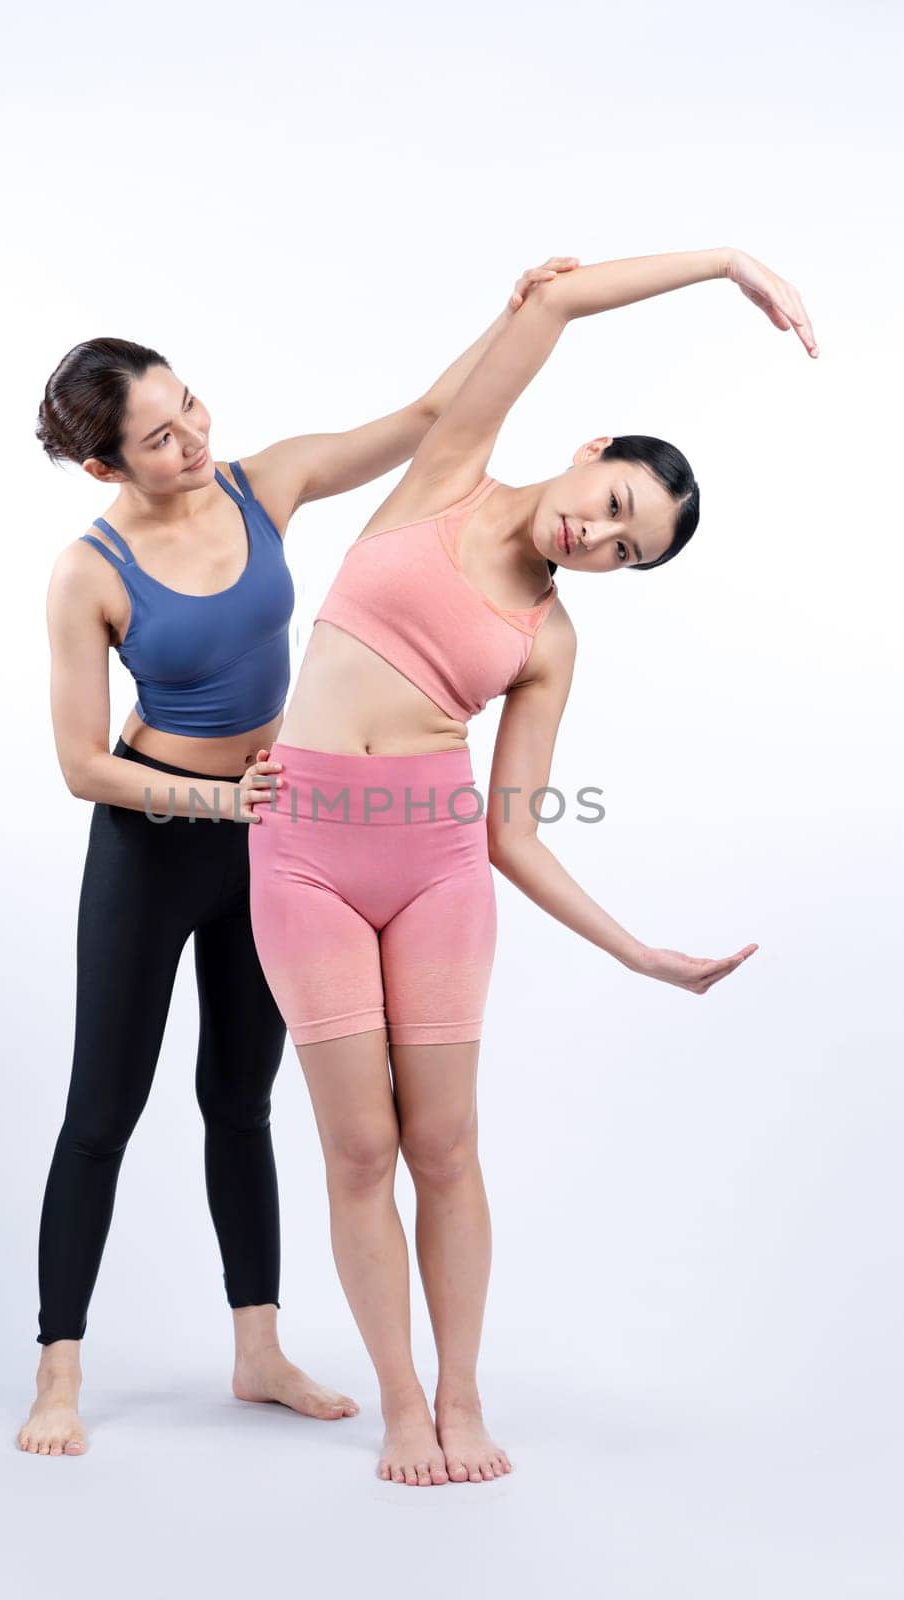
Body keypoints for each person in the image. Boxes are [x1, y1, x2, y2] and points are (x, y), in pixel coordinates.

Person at [245, 245, 818, 1487]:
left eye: (627, 551)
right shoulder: (448, 474)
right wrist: (725, 262)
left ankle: (461, 1391)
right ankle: (400, 1403)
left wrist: (641, 955)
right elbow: (551, 302)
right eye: (614, 502)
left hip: (440, 866)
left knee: (443, 1145)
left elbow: (513, 831)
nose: (599, 535)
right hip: (303, 857)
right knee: (359, 1149)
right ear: (593, 449)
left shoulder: (545, 640)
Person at [17, 255, 582, 1456]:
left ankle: (257, 1345)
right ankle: (58, 1367)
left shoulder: (262, 485)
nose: (192, 440)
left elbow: (431, 419)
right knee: (102, 1104)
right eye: (160, 439)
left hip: (282, 838)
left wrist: (512, 312)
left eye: (191, 410)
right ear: (104, 463)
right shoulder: (87, 572)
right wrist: (215, 806)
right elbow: (82, 765)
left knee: (241, 1098)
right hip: (155, 839)